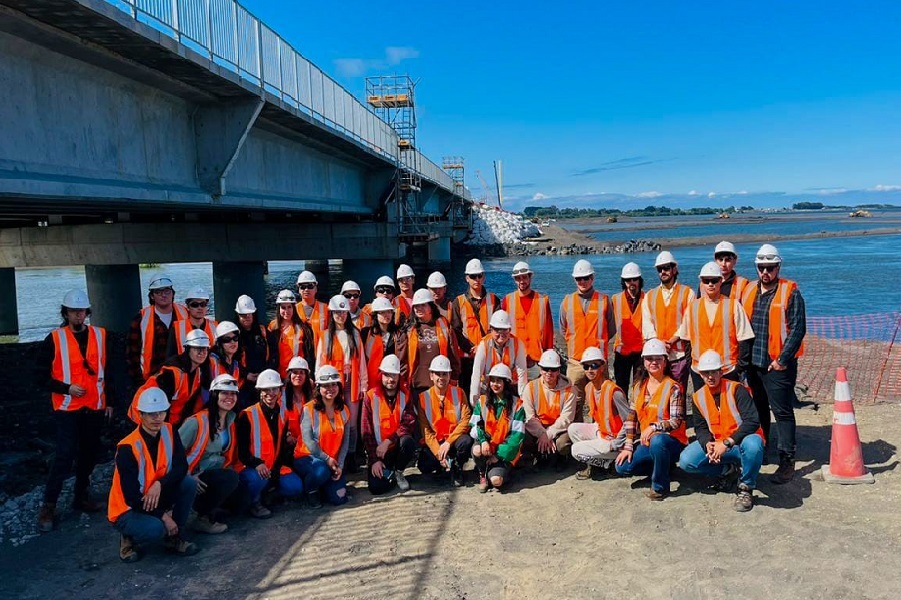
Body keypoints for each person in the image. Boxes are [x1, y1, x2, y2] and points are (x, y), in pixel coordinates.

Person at [37, 289, 115, 532]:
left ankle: (81, 496)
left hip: (94, 406)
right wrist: (66, 388)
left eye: (82, 311)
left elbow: (109, 371)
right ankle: (49, 505)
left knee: (89, 453)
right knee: (64, 454)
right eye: (74, 311)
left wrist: (110, 401)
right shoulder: (54, 339)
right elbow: (40, 377)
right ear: (66, 313)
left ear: (87, 312)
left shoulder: (100, 335)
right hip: (67, 407)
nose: (78, 315)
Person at [109, 388, 199, 562]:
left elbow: (181, 466)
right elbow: (132, 498)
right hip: (128, 509)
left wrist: (159, 484)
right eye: (151, 414)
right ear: (141, 415)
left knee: (188, 483)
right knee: (156, 529)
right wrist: (164, 517)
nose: (157, 418)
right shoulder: (127, 447)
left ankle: (175, 536)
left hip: (154, 497)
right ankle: (128, 536)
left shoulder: (169, 431)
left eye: (161, 412)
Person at [741, 243, 806, 484]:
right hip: (754, 364)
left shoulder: (790, 292)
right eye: (761, 267)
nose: (765, 272)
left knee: (782, 411)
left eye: (770, 267)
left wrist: (782, 360)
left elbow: (798, 329)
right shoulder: (748, 290)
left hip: (777, 365)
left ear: (778, 267)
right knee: (759, 409)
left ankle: (787, 461)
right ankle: (762, 449)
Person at [678, 351, 764, 512]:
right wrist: (707, 444)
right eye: (706, 373)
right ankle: (728, 471)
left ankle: (746, 487)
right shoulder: (698, 397)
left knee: (754, 444)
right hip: (718, 445)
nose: (710, 376)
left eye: (713, 372)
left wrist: (727, 443)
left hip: (740, 443)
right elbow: (701, 428)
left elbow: (752, 421)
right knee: (686, 460)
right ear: (700, 374)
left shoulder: (736, 389)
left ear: (721, 372)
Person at [615, 339, 688, 501]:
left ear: (665, 361)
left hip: (671, 442)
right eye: (649, 358)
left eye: (658, 359)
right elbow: (631, 417)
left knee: (658, 440)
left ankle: (660, 487)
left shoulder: (673, 387)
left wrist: (654, 427)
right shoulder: (639, 386)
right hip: (648, 442)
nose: (653, 362)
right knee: (622, 467)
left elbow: (676, 421)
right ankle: (663, 467)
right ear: (643, 361)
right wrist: (628, 445)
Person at [671, 261, 754, 394]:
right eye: (706, 280)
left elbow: (744, 339)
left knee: (728, 404)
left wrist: (739, 367)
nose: (710, 284)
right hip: (700, 371)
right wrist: (691, 363)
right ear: (701, 282)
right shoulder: (693, 307)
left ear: (721, 281)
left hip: (727, 370)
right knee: (702, 404)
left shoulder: (733, 306)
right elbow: (686, 339)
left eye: (714, 280)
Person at [178, 374, 244, 534]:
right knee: (230, 478)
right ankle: (200, 517)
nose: (230, 397)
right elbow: (172, 452)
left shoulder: (231, 420)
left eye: (233, 393)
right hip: (195, 476)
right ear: (214, 395)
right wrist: (188, 477)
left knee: (243, 501)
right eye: (225, 393)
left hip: (215, 473)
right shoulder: (196, 422)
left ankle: (211, 507)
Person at [236, 369, 304, 518]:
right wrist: (257, 463)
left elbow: (281, 447)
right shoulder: (247, 415)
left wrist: (277, 469)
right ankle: (254, 502)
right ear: (260, 391)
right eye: (266, 389)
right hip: (252, 468)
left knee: (295, 487)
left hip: (273, 467)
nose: (270, 393)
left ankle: (268, 494)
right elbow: (241, 452)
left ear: (280, 390)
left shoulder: (283, 414)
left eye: (274, 389)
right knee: (257, 479)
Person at [317, 295, 367, 470]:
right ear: (332, 314)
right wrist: (320, 384)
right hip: (332, 385)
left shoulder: (355, 334)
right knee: (335, 422)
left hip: (351, 383)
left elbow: (361, 362)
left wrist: (364, 384)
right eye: (337, 312)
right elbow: (320, 363)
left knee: (352, 424)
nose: (340, 315)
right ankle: (336, 456)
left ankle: (351, 456)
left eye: (343, 312)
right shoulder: (325, 336)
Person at [559, 259, 615, 410]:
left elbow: (611, 329)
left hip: (598, 362)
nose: (582, 282)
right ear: (574, 279)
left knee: (601, 400)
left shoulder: (604, 300)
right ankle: (575, 425)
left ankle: (601, 425)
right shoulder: (567, 302)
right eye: (579, 278)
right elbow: (564, 329)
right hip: (575, 362)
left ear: (592, 278)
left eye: (586, 278)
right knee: (574, 402)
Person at [293, 366, 353, 507]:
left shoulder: (344, 410)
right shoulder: (309, 409)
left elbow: (345, 442)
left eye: (334, 385)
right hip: (307, 458)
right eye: (326, 386)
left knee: (339, 498)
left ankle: (323, 487)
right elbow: (308, 441)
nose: (330, 389)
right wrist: (327, 459)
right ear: (318, 388)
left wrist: (340, 465)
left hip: (332, 461)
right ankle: (311, 490)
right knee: (321, 471)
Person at [567, 347, 629, 480]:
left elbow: (630, 422)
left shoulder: (614, 392)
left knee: (576, 450)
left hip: (615, 441)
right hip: (602, 433)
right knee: (573, 429)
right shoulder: (589, 388)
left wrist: (617, 443)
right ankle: (599, 463)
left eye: (594, 365)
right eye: (586, 366)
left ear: (602, 367)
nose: (590, 370)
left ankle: (609, 464)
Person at [129, 329, 212, 427]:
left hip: (163, 418)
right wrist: (166, 429)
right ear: (188, 349)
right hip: (144, 416)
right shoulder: (172, 372)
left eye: (205, 349)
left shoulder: (198, 372)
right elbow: (161, 404)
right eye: (197, 349)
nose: (202, 353)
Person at [361, 355, 419, 494]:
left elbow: (408, 424)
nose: (391, 379)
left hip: (397, 447)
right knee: (376, 488)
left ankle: (398, 472)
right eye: (387, 375)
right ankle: (389, 473)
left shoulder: (405, 395)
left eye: (394, 375)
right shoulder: (370, 397)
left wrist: (388, 441)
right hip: (379, 452)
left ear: (399, 376)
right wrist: (374, 460)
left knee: (408, 442)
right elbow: (366, 431)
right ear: (381, 375)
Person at [641, 251, 695, 393]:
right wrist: (659, 344)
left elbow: (688, 322)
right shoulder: (650, 295)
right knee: (659, 393)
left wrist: (671, 341)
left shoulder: (688, 293)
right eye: (660, 269)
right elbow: (647, 324)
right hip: (657, 357)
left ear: (674, 269)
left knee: (678, 393)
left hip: (679, 355)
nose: (663, 272)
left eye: (666, 268)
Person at [417, 355, 473, 486]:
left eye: (445, 374)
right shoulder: (423, 398)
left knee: (466, 442)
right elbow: (426, 431)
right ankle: (442, 464)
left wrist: (448, 442)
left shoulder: (459, 393)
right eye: (438, 374)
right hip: (436, 441)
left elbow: (465, 420)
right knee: (424, 465)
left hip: (454, 441)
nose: (441, 377)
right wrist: (438, 453)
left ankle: (457, 467)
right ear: (431, 376)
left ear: (449, 375)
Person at [470, 364, 526, 493]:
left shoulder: (517, 405)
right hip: (486, 445)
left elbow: (517, 437)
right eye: (493, 380)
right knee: (477, 450)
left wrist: (497, 454)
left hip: (504, 451)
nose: (495, 384)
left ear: (506, 383)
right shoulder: (482, 401)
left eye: (499, 381)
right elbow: (474, 425)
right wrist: (483, 440)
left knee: (496, 481)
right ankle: (482, 474)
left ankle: (499, 471)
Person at [127, 275, 188, 387]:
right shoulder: (141, 318)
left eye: (167, 291)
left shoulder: (185, 313)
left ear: (173, 293)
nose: (163, 295)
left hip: (181, 377)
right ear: (152, 296)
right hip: (151, 378)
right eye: (158, 292)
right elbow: (132, 353)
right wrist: (139, 383)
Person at [397, 288, 460, 397]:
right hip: (416, 385)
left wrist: (454, 376)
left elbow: (453, 352)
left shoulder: (444, 324)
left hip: (440, 384)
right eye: (416, 306)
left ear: (431, 306)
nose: (419, 308)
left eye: (423, 305)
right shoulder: (408, 328)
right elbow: (402, 358)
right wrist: (403, 380)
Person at [520, 349, 576, 469]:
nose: (549, 373)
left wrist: (549, 434)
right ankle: (536, 455)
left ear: (559, 371)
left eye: (553, 369)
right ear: (540, 369)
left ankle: (562, 457)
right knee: (521, 433)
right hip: (537, 428)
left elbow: (566, 419)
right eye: (545, 369)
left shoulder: (570, 390)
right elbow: (529, 417)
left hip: (559, 430)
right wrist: (542, 433)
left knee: (563, 443)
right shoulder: (530, 388)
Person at [502, 261, 554, 380]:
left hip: (537, 359)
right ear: (514, 280)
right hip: (515, 359)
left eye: (524, 277)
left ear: (530, 277)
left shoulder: (542, 301)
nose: (521, 281)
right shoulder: (507, 301)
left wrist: (549, 356)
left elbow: (549, 331)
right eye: (518, 278)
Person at [470, 310, 528, 401]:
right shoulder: (484, 345)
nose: (501, 334)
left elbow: (522, 374)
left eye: (505, 330)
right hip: (489, 387)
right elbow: (476, 374)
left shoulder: (518, 344)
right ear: (491, 330)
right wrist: (474, 400)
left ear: (510, 330)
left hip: (510, 387)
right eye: (497, 330)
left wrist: (523, 399)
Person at [611, 262, 645, 394]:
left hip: (641, 351)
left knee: (639, 388)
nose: (631, 282)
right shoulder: (615, 299)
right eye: (628, 280)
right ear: (623, 281)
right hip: (622, 351)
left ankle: (637, 408)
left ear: (639, 280)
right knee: (621, 388)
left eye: (634, 279)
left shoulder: (647, 299)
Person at [267, 289, 315, 379]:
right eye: (283, 307)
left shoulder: (304, 328)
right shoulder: (272, 327)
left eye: (289, 307)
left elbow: (310, 356)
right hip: (277, 375)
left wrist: (310, 377)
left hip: (297, 375)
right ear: (278, 309)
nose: (286, 311)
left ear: (294, 308)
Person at [362, 296, 405, 390]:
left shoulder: (398, 333)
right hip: (371, 379)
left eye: (389, 312)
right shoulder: (366, 333)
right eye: (382, 312)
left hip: (391, 379)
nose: (387, 315)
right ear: (375, 315)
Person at [234, 294, 270, 396]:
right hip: (242, 384)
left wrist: (264, 373)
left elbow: (274, 355)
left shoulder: (264, 332)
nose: (247, 317)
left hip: (263, 381)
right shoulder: (233, 336)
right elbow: (230, 360)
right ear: (238, 315)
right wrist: (245, 374)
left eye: (249, 314)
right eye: (243, 315)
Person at [167, 287, 217, 358]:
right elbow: (170, 357)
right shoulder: (176, 329)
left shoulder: (215, 327)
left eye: (203, 304)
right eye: (195, 305)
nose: (200, 308)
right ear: (188, 307)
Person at [284, 356, 313, 447]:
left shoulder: (313, 396)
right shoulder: (281, 396)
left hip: (308, 444)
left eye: (302, 372)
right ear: (289, 375)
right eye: (295, 372)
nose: (298, 376)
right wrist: (287, 435)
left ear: (306, 376)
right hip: (288, 445)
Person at [295, 270, 329, 349]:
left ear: (316, 289)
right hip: (300, 354)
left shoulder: (326, 308)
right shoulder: (293, 309)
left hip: (320, 352)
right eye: (303, 287)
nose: (306, 289)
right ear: (299, 290)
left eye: (310, 286)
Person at [209, 321, 244, 393]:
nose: (232, 342)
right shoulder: (212, 361)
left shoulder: (235, 364)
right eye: (227, 339)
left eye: (235, 338)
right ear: (219, 343)